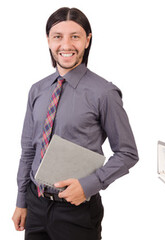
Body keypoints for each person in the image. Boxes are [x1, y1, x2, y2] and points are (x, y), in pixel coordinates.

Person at [11, 7, 139, 239]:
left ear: (87, 40)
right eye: (58, 36)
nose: (66, 45)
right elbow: (29, 149)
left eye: (75, 36)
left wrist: (90, 184)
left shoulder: (104, 93)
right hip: (36, 205)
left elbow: (127, 153)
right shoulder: (37, 90)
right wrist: (21, 201)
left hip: (77, 211)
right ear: (48, 40)